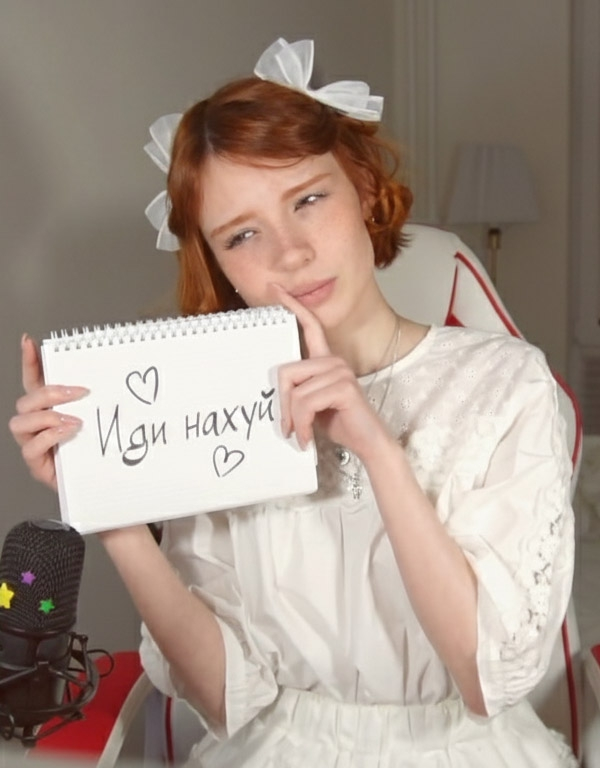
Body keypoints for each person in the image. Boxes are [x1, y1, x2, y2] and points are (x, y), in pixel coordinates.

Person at [9, 37, 577, 767]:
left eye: (308, 199)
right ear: (220, 265)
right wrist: (111, 506)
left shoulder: (506, 383)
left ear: (364, 188)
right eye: (243, 235)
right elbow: (224, 698)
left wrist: (376, 447)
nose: (290, 252)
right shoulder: (214, 412)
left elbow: (485, 677)